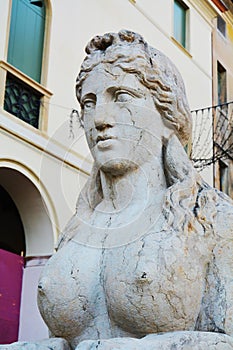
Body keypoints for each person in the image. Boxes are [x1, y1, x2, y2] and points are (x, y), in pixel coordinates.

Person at [36, 30, 233, 349]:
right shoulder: (77, 227)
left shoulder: (212, 220)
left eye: (122, 96)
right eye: (89, 102)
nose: (99, 118)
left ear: (168, 115)